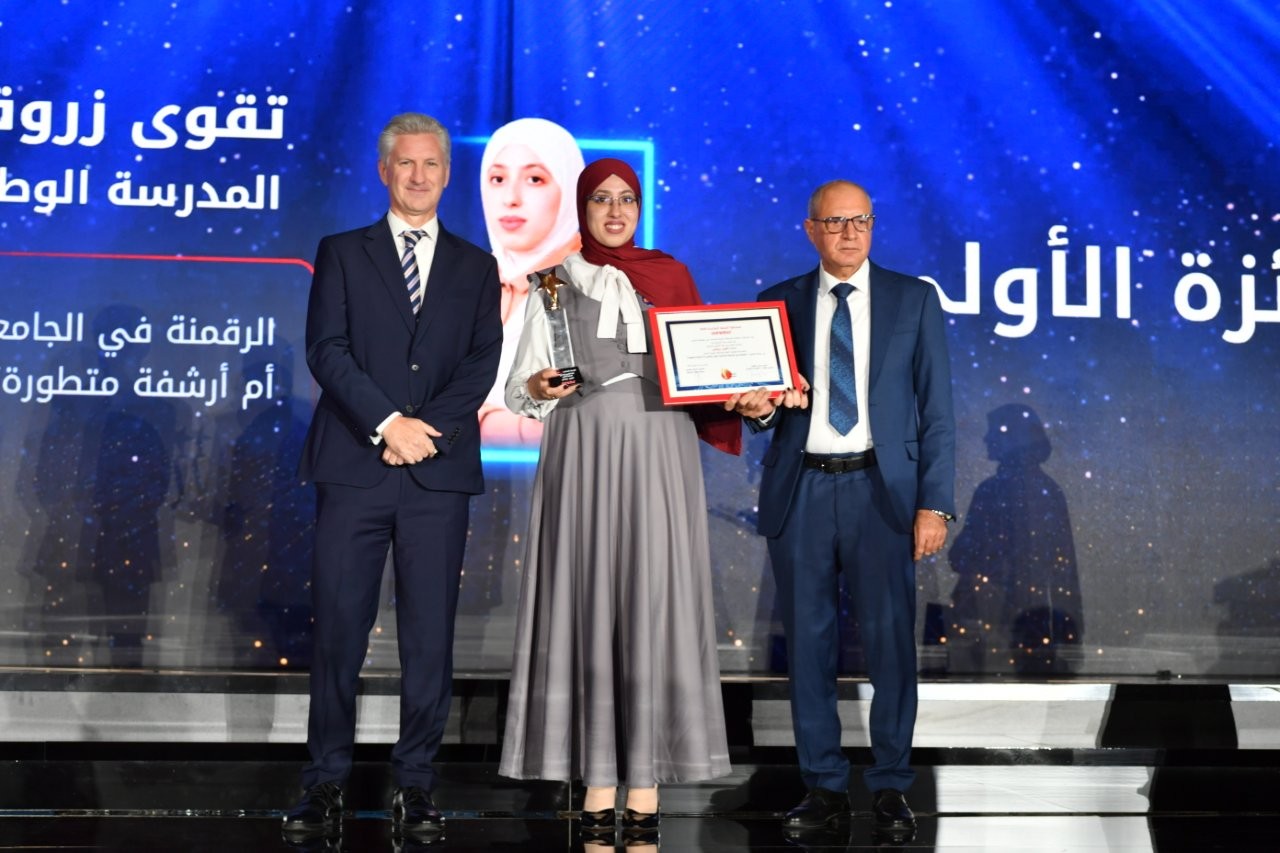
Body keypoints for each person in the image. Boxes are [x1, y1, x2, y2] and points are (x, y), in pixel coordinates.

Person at [499, 157, 742, 841]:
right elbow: (520, 388)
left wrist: (746, 392)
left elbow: (708, 373)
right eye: (601, 199)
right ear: (582, 208)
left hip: (660, 450)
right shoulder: (552, 282)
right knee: (590, 600)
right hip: (584, 450)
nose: (614, 210)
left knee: (652, 601)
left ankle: (646, 788)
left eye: (626, 199)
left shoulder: (672, 277)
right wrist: (537, 388)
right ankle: (598, 784)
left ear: (640, 207)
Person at [282, 113, 502, 841]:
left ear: (447, 173)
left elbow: (481, 364)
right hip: (355, 468)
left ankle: (417, 784)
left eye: (430, 164)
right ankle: (324, 783)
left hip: (436, 476)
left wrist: (422, 431)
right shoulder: (343, 252)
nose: (418, 176)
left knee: (429, 639)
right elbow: (327, 349)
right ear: (384, 171)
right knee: (339, 633)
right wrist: (388, 423)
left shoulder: (476, 266)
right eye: (405, 163)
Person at [728, 180, 956, 838]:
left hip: (881, 492)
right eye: (835, 222)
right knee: (808, 645)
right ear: (810, 230)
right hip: (802, 488)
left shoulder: (914, 298)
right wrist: (757, 407)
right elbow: (766, 406)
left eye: (861, 220)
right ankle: (823, 786)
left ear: (873, 225)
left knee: (891, 644)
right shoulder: (777, 301)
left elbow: (938, 413)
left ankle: (890, 786)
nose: (850, 233)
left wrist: (935, 503)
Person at [477, 117, 584, 446]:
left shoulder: (588, 286)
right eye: (497, 179)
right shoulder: (469, 284)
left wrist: (482, 423)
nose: (511, 197)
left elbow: (574, 413)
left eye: (534, 179)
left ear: (569, 188)